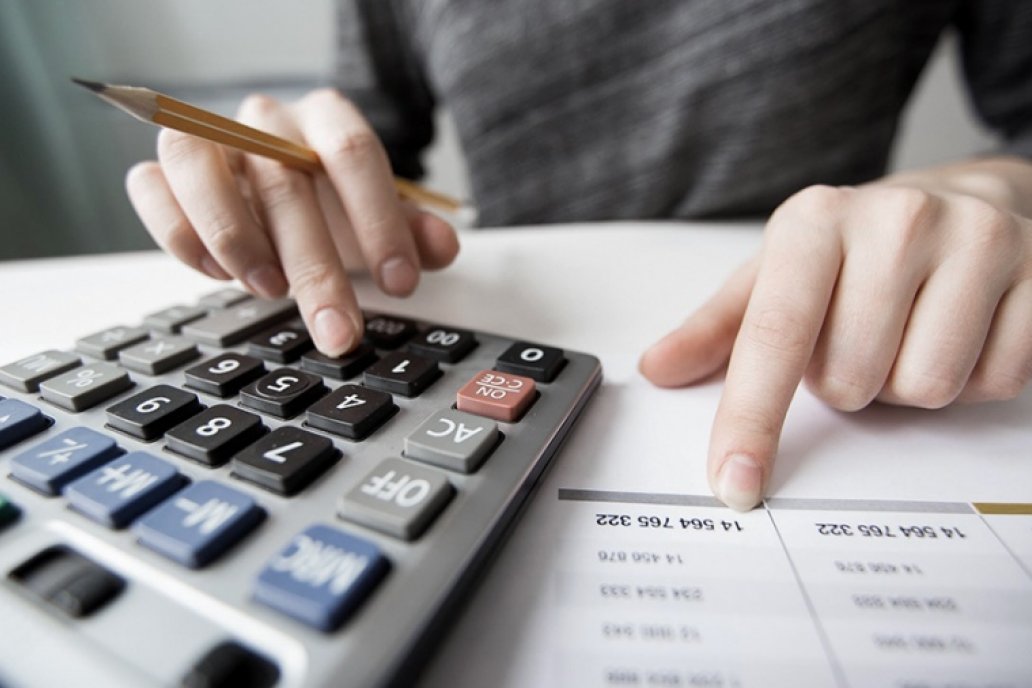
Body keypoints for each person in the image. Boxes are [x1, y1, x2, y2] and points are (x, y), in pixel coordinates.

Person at [124, 1, 1032, 511]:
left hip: (829, 338)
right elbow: (372, 143)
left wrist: (994, 191)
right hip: (500, 332)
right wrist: (298, 189)